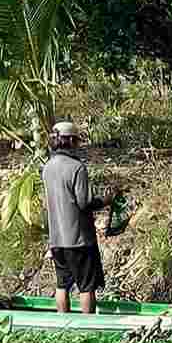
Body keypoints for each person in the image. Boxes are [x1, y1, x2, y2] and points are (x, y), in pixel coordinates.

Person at [42, 121, 114, 315]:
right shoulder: (76, 168)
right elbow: (84, 202)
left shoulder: (47, 167)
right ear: (72, 141)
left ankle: (62, 324)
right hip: (79, 239)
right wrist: (105, 200)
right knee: (86, 286)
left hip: (56, 239)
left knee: (62, 284)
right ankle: (88, 326)